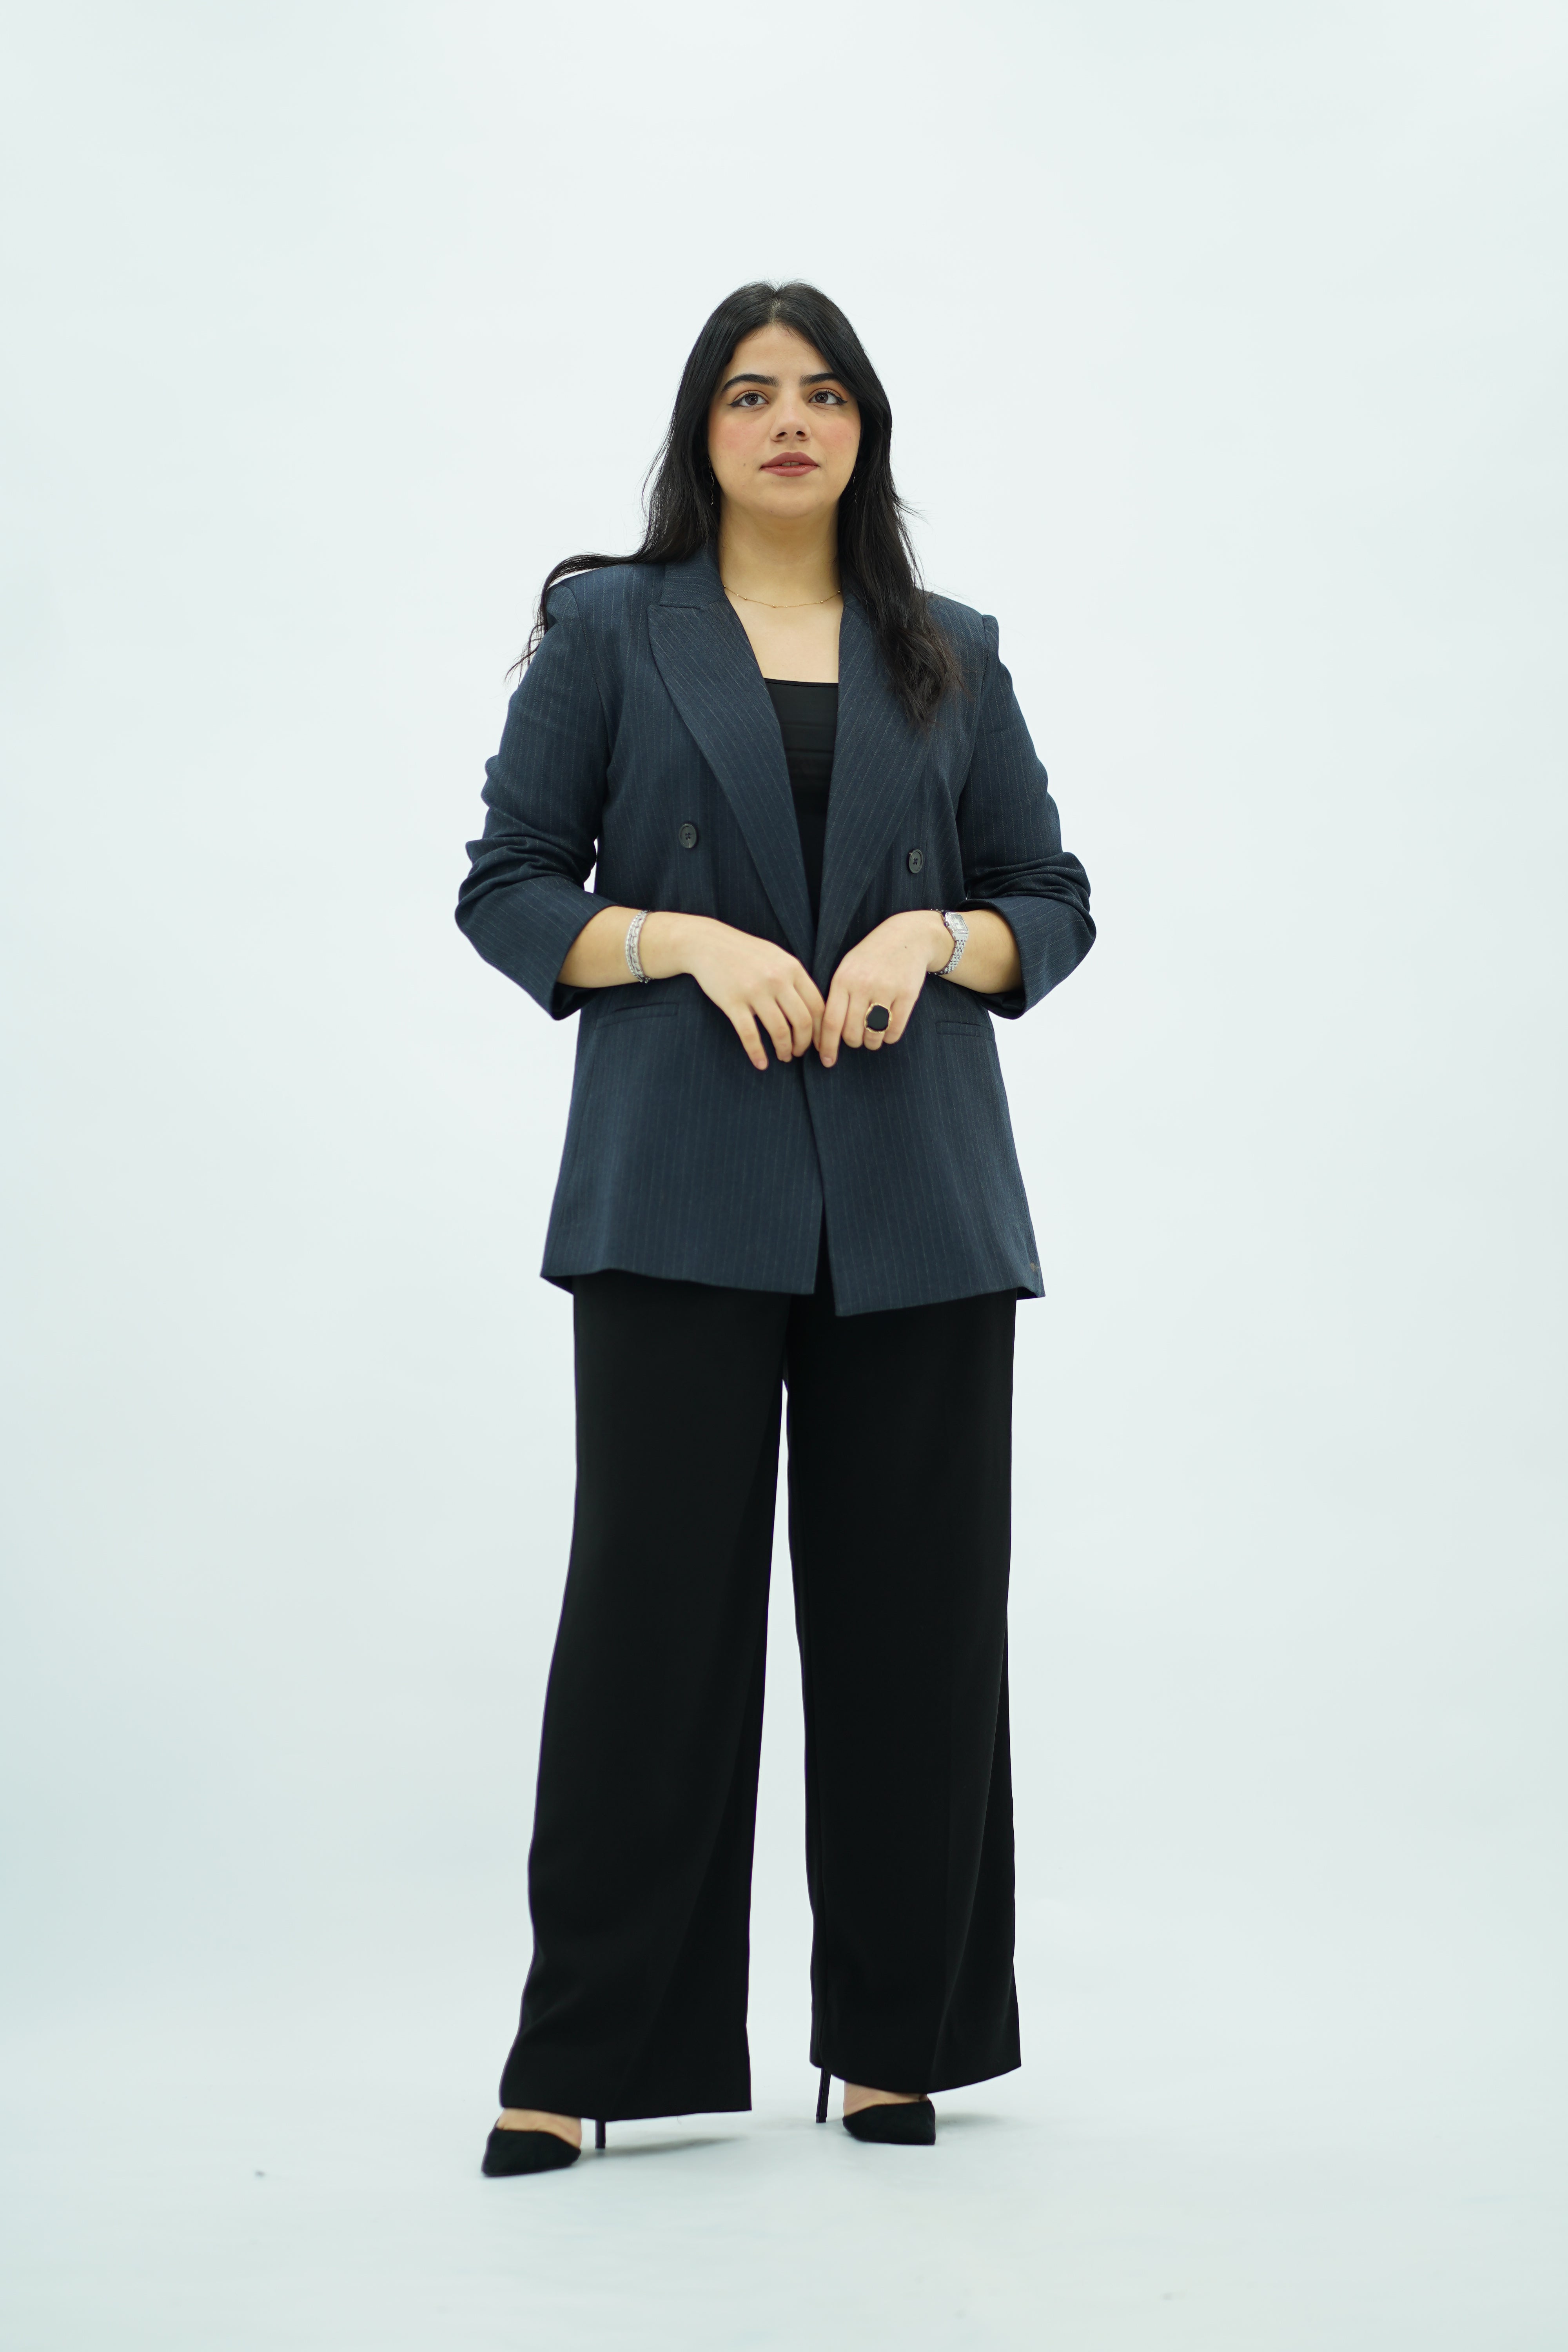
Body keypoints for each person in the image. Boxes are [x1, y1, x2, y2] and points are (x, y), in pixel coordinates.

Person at [456, 280, 1094, 2174]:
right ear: (703, 430)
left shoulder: (951, 651)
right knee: (650, 1628)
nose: (788, 420)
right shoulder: (611, 629)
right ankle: (586, 2054)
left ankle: (895, 2042)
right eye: (749, 394)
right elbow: (506, 884)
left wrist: (933, 937)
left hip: (919, 1199)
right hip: (676, 1186)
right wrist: (678, 941)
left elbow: (1047, 895)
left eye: (821, 392)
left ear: (864, 427)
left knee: (915, 1628)